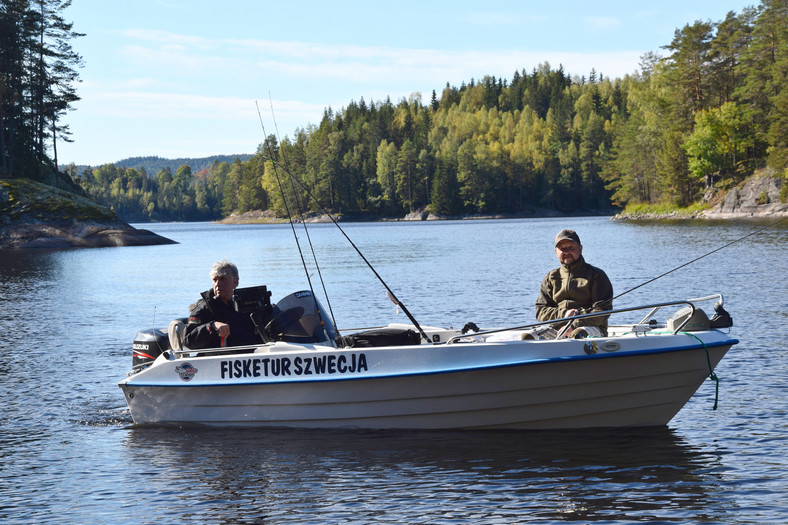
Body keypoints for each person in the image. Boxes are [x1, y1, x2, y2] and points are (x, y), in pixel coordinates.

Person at [535, 229, 613, 336]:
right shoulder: (550, 278)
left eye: (571, 247)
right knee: (528, 337)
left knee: (578, 334)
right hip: (556, 329)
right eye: (562, 249)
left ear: (580, 249)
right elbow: (540, 311)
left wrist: (573, 326)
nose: (566, 252)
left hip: (590, 329)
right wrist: (564, 314)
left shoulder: (597, 275)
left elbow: (602, 311)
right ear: (556, 252)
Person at [183, 259, 262, 349]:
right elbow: (188, 341)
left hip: (251, 357)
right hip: (217, 359)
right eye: (215, 280)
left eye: (222, 279)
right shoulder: (203, 309)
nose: (218, 284)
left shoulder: (246, 305)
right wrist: (211, 327)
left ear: (235, 282)